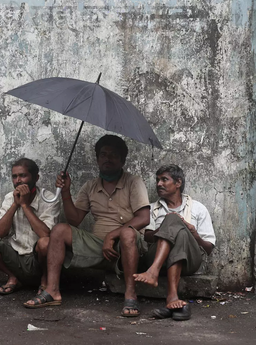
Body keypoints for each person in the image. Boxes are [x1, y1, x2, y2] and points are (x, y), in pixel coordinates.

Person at [24, 135, 151, 317]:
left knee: (128, 234)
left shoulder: (133, 182)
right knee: (59, 230)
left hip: (127, 246)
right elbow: (74, 220)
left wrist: (112, 235)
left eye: (113, 155)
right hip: (98, 246)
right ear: (97, 159)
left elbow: (144, 218)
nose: (107, 158)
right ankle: (52, 291)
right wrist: (66, 192)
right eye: (103, 155)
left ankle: (130, 295)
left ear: (122, 160)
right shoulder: (90, 186)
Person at [133, 164, 215, 321]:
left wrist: (194, 234)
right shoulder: (151, 209)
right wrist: (169, 227)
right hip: (157, 258)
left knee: (179, 227)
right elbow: (147, 237)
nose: (159, 184)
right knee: (174, 223)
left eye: (164, 179)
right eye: (157, 180)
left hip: (190, 262)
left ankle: (152, 272)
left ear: (178, 183)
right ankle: (172, 297)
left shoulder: (198, 208)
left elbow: (208, 248)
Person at [0, 158, 60, 295]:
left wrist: (25, 205)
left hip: (38, 259)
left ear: (36, 177)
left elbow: (46, 235)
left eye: (23, 175)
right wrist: (15, 204)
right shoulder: (10, 197)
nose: (18, 181)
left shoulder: (48, 198)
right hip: (15, 257)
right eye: (14, 177)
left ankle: (45, 281)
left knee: (46, 243)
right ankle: (13, 278)